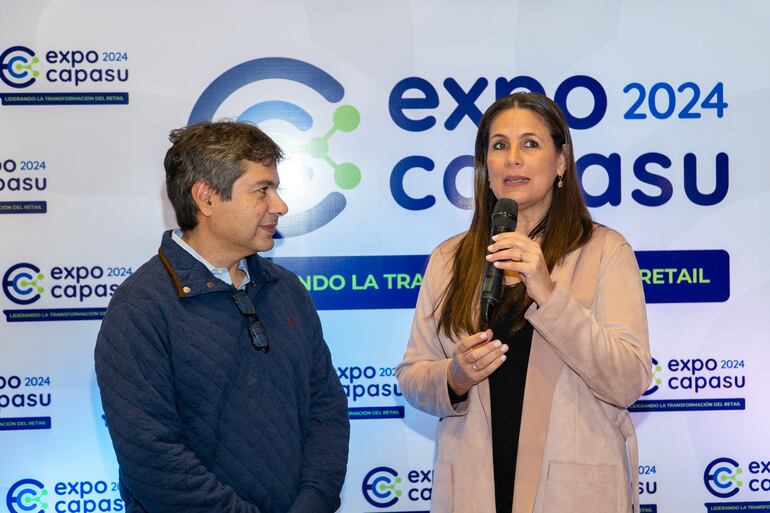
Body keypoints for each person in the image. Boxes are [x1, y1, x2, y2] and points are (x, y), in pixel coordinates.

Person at [396, 92, 650, 513]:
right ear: (486, 166)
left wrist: (548, 293)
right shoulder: (449, 259)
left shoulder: (605, 250)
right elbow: (412, 376)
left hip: (573, 494)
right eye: (499, 146)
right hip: (474, 492)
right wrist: (455, 377)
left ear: (561, 161)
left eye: (530, 144)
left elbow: (629, 380)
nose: (512, 158)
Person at [94, 121, 350, 513]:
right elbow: (152, 457)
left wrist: (312, 502)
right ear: (207, 198)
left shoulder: (287, 290)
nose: (280, 206)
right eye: (263, 190)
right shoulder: (140, 308)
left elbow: (326, 411)